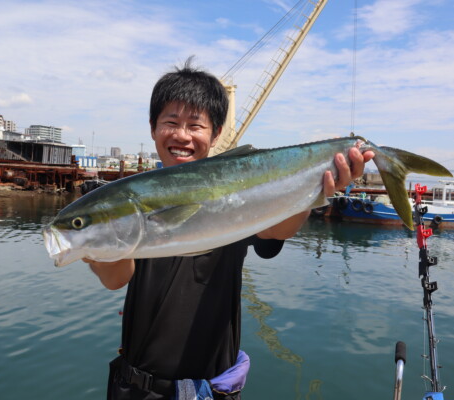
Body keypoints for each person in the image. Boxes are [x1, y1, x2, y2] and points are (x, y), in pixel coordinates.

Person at [85, 59, 374, 400]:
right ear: (153, 127)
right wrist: (91, 240)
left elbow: (275, 231)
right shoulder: (133, 198)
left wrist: (314, 192)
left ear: (216, 134)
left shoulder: (236, 194)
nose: (182, 135)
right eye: (171, 122)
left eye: (196, 125)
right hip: (138, 389)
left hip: (213, 391)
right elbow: (116, 278)